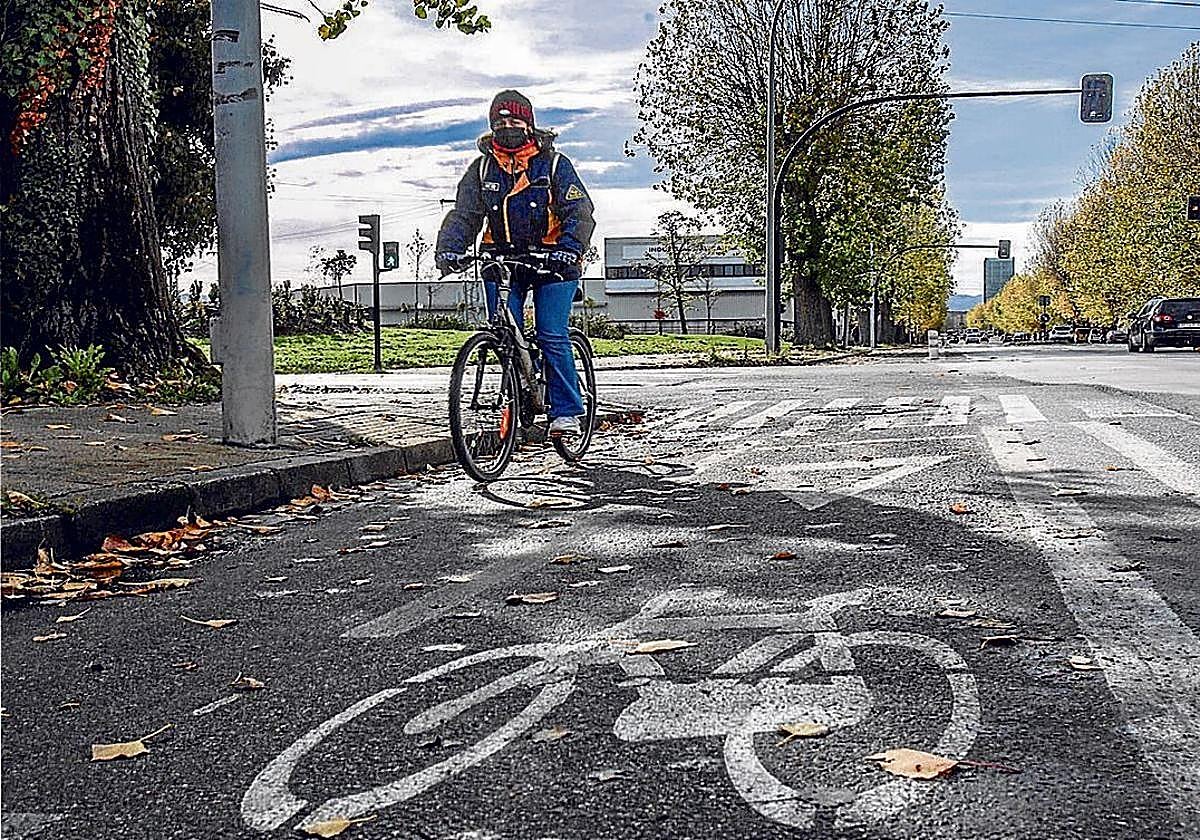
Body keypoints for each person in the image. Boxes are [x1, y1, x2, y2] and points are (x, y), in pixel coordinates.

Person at [435, 90, 596, 438]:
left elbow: (579, 213)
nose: (507, 127)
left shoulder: (554, 164)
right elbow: (465, 216)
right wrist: (450, 249)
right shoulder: (481, 169)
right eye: (500, 121)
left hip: (553, 262)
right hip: (502, 259)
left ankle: (566, 410)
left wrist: (569, 248)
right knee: (504, 330)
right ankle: (524, 381)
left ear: (529, 124)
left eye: (515, 121)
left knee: (552, 333)